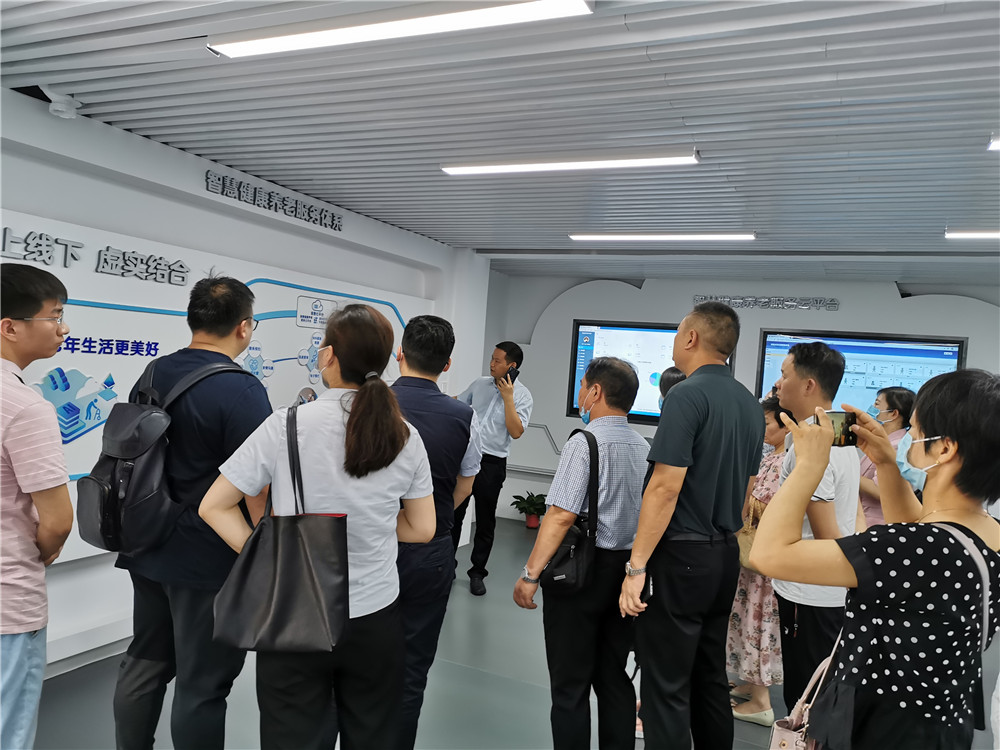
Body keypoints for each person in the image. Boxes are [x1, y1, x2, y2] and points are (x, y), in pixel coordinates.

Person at [200, 304, 436, 750]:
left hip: (295, 611)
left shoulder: (286, 425)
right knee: (374, 735)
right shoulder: (405, 435)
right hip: (375, 616)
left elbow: (214, 506)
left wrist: (267, 558)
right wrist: (373, 524)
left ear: (327, 356)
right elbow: (423, 529)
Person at [751, 369, 1000, 750]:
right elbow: (916, 534)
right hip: (940, 723)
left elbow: (768, 554)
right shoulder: (983, 534)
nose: (907, 440)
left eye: (915, 432)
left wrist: (808, 466)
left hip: (877, 727)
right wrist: (886, 462)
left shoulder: (910, 548)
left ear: (945, 449)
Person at [113, 275, 273, 750]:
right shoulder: (242, 390)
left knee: (145, 661)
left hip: (146, 540)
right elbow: (257, 486)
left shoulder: (153, 373)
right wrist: (264, 550)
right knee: (202, 683)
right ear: (244, 327)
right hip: (208, 558)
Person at [619, 301, 764, 750]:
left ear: (691, 337)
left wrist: (636, 567)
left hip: (681, 555)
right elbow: (748, 488)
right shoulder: (749, 403)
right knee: (708, 675)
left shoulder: (685, 395)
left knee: (665, 684)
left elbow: (665, 487)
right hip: (723, 555)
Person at [514, 357, 649, 750]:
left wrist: (530, 575)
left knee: (570, 684)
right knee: (613, 676)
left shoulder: (584, 442)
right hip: (625, 574)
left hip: (582, 574)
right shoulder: (643, 447)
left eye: (582, 386)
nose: (580, 394)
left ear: (596, 392)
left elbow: (560, 516)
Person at [391, 315, 482, 750]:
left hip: (364, 545)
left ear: (399, 354)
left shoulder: (365, 405)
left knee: (347, 660)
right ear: (447, 365)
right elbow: (466, 483)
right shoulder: (464, 416)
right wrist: (428, 513)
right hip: (430, 549)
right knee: (410, 671)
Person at [0, 264, 74, 750]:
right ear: (10, 327)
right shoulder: (25, 406)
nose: (63, 328)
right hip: (7, 603)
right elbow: (58, 521)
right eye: (55, 316)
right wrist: (42, 552)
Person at [770, 341, 861, 714]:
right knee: (822, 691)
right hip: (829, 592)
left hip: (810, 593)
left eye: (784, 374)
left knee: (804, 700)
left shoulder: (813, 448)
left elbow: (827, 539)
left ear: (808, 385)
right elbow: (854, 511)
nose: (778, 384)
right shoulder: (838, 432)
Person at [727, 396, 794, 727]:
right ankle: (750, 684)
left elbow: (765, 505)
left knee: (759, 625)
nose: (762, 428)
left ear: (786, 425)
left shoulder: (784, 462)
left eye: (768, 423)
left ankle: (762, 703)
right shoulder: (773, 455)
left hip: (764, 561)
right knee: (746, 620)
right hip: (754, 556)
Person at [453, 341, 533, 596]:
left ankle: (477, 573)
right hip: (466, 457)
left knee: (485, 522)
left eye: (497, 361)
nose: (491, 364)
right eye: (492, 358)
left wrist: (508, 398)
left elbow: (516, 431)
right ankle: (446, 566)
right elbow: (458, 403)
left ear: (512, 366)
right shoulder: (480, 384)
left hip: (492, 463)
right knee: (454, 515)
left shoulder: (523, 396)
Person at [860, 386, 915, 526]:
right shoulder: (885, 441)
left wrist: (847, 473)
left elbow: (880, 489)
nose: (872, 408)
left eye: (877, 404)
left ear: (893, 414)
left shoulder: (898, 446)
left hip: (877, 522)